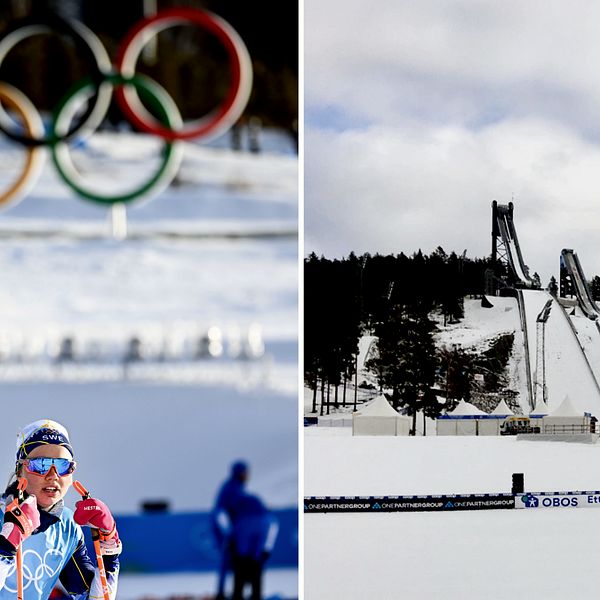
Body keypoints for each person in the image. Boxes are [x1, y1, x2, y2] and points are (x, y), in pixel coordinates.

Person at [0, 419, 121, 599]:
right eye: (41, 465)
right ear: (20, 470)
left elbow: (91, 598)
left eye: (63, 466)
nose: (53, 476)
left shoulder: (67, 527)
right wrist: (6, 546)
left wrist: (109, 544)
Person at [229, 493, 278, 600]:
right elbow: (270, 535)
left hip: (240, 556)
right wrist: (266, 551)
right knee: (256, 585)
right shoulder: (267, 519)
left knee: (239, 584)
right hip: (256, 557)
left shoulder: (238, 520)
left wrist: (233, 551)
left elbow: (231, 536)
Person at [211, 461, 249, 600]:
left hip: (230, 529)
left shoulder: (236, 486)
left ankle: (234, 591)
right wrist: (228, 533)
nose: (247, 475)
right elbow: (221, 512)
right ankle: (221, 593)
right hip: (226, 529)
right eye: (245, 472)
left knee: (234, 562)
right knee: (228, 560)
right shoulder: (232, 488)